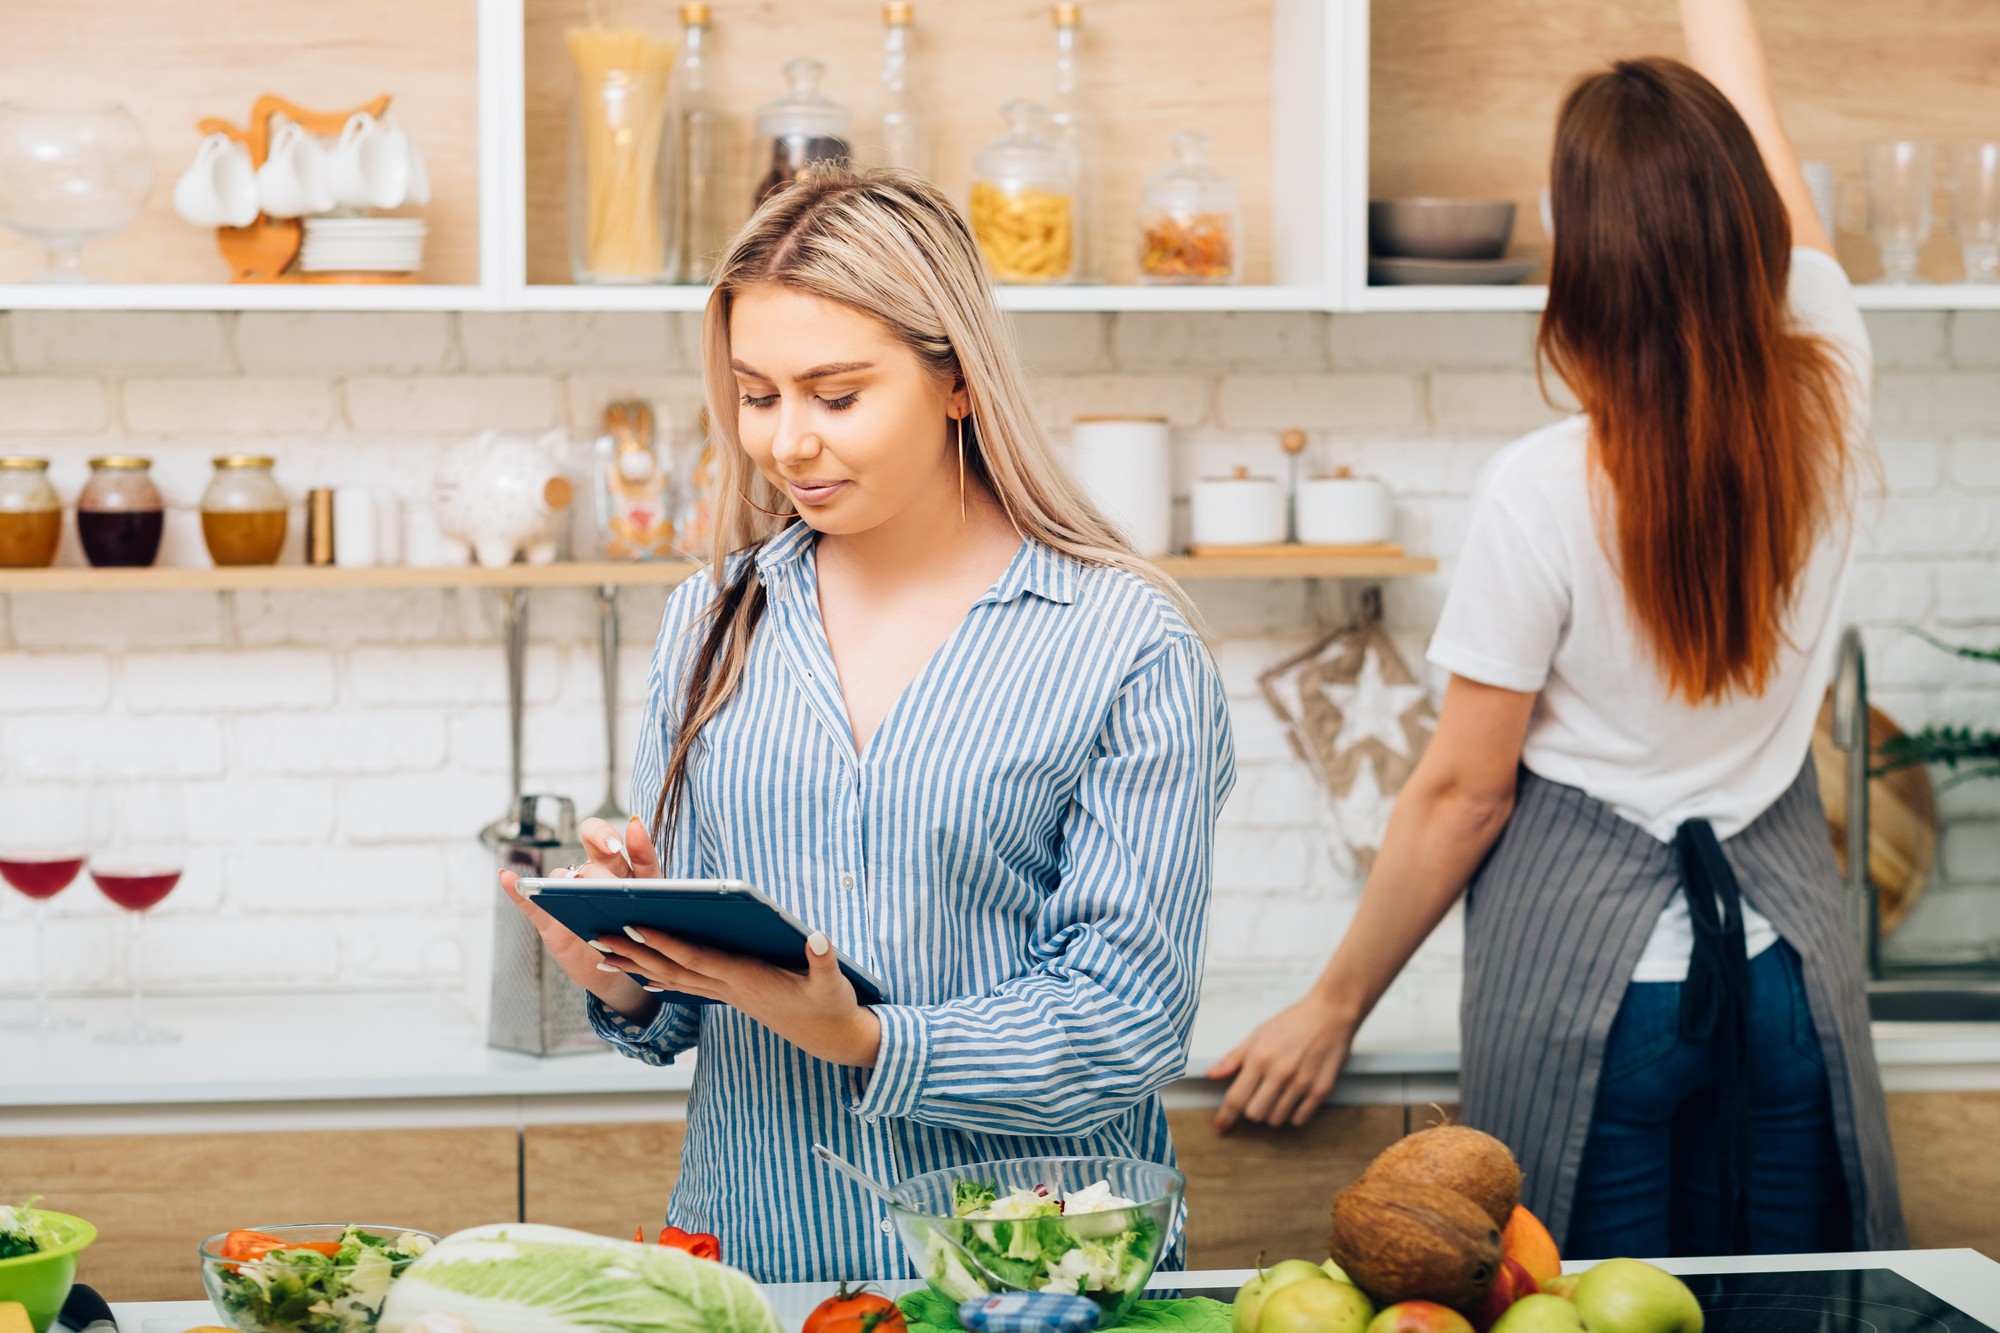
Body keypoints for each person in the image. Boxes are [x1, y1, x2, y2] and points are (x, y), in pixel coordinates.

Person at [1208, 0, 1906, 1258]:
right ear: (1748, 223)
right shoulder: (1836, 394)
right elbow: (1778, 187)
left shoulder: (1543, 488)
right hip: (1781, 981)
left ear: (1587, 263)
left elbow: (1460, 798)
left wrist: (1331, 1004)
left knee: (1576, 1301)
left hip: (1597, 998)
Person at [501, 166, 1234, 1283]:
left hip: (1031, 1275)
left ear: (956, 380)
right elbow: (688, 1002)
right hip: (763, 1264)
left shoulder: (1122, 643)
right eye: (757, 396)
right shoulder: (712, 618)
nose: (786, 443)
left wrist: (866, 1039)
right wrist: (619, 969)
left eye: (835, 396)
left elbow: (1122, 1019)